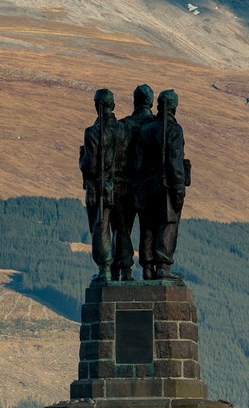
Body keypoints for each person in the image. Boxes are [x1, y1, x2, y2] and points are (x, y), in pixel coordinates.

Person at [132, 88, 190, 280]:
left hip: (146, 187)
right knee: (168, 224)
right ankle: (163, 267)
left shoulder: (145, 129)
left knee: (147, 227)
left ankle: (148, 269)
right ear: (174, 107)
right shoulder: (174, 129)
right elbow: (175, 162)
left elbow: (138, 163)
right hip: (166, 187)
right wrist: (179, 190)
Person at [79, 88, 127, 283]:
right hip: (123, 187)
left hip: (100, 188)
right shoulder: (125, 129)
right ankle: (125, 270)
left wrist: (81, 158)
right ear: (113, 106)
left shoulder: (92, 133)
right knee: (122, 228)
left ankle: (106, 269)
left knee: (102, 226)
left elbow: (89, 166)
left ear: (96, 106)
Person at [112, 85, 155, 281]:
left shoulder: (122, 126)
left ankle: (126, 271)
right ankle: (149, 269)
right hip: (148, 187)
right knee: (149, 228)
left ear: (135, 102)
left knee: (122, 229)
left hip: (124, 186)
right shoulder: (157, 126)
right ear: (152, 103)